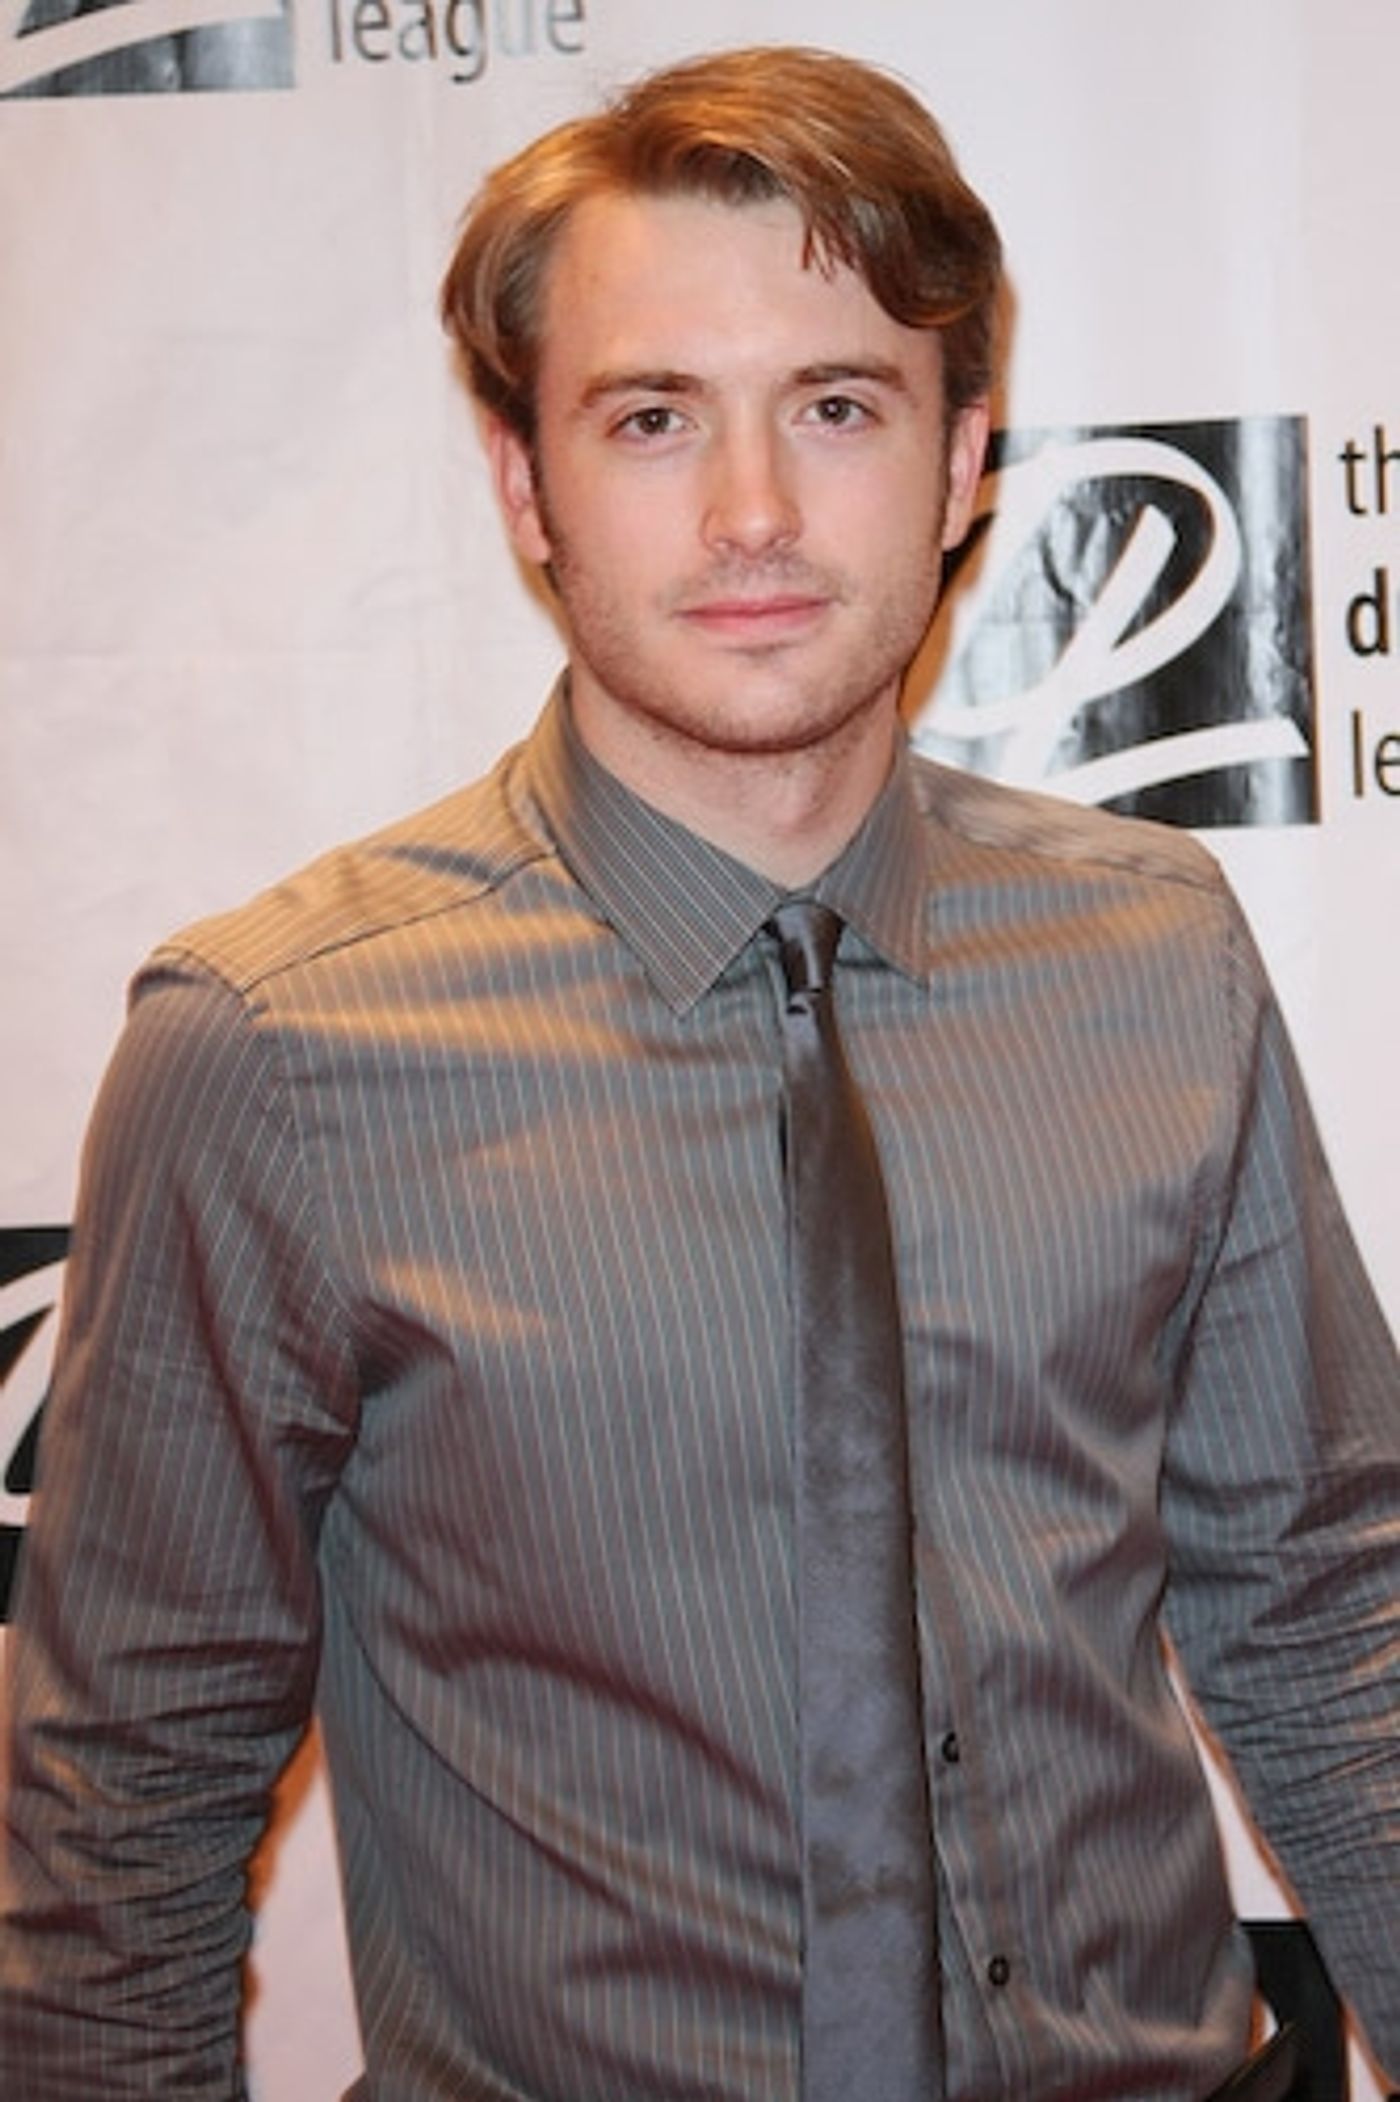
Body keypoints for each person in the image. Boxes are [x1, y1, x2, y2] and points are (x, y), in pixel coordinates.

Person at [1, 41, 1396, 2102]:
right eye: (653, 417)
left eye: (836, 407)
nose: (753, 512)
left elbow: (1329, 1619)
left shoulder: (1156, 947)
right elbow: (127, 1801)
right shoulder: (273, 1046)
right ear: (524, 485)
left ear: (961, 462)